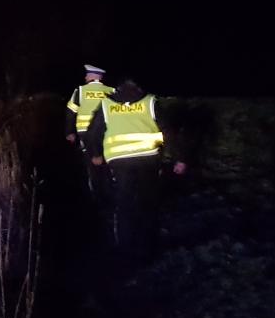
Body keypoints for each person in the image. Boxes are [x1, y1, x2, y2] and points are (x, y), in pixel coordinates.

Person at [84, 79, 186, 262]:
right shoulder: (150, 102)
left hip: (119, 160)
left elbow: (93, 133)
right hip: (148, 159)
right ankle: (150, 245)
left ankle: (124, 247)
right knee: (148, 201)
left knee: (124, 203)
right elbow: (168, 131)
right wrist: (179, 158)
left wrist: (96, 155)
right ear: (138, 87)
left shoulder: (107, 104)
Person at [66, 64, 115, 200]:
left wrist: (69, 132)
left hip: (85, 134)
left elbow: (71, 113)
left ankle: (95, 195)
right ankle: (110, 190)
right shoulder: (111, 91)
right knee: (107, 161)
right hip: (108, 133)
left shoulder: (80, 91)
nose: (85, 77)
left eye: (87, 75)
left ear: (94, 76)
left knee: (90, 164)